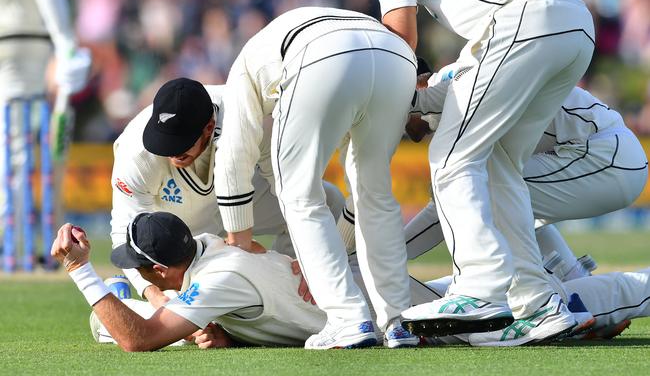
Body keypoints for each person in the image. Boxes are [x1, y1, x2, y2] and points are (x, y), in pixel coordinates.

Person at [326, 0, 596, 342]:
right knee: (497, 163)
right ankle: (539, 303)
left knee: (451, 156)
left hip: (525, 19)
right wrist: (414, 98)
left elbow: (399, 39)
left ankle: (479, 286)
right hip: (575, 27)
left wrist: (375, 96)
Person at [50, 213, 650, 351]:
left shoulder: (219, 279)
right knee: (524, 276)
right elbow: (180, 302)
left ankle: (580, 288)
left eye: (140, 267)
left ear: (160, 267)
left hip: (406, 323)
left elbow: (141, 339)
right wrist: (203, 324)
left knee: (573, 311)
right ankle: (561, 266)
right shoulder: (210, 248)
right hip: (391, 295)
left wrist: (82, 270)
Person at [213, 6, 418, 349]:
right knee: (375, 193)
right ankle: (398, 320)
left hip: (322, 53)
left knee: (298, 194)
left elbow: (234, 154)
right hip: (396, 54)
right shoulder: (282, 38)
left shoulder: (242, 70)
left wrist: (239, 240)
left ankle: (347, 319)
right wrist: (334, 249)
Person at [400, 65, 648, 344]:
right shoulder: (448, 87)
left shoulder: (447, 88)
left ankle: (560, 302)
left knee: (487, 196)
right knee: (503, 201)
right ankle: (570, 279)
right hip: (603, 151)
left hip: (604, 156)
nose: (402, 127)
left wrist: (386, 255)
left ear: (420, 83)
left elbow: (450, 206)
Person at [110, 77, 344, 308]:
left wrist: (308, 258)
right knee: (190, 315)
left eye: (181, 143)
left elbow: (291, 191)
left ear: (209, 127)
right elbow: (125, 234)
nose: (171, 152)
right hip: (180, 228)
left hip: (243, 195)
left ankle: (294, 290)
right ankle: (120, 307)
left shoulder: (250, 115)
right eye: (165, 142)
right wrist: (152, 295)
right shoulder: (135, 154)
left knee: (330, 201)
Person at [0, 0, 91, 269]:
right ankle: (16, 252)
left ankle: (16, 249)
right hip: (24, 43)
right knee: (18, 150)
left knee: (10, 146)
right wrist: (66, 42)